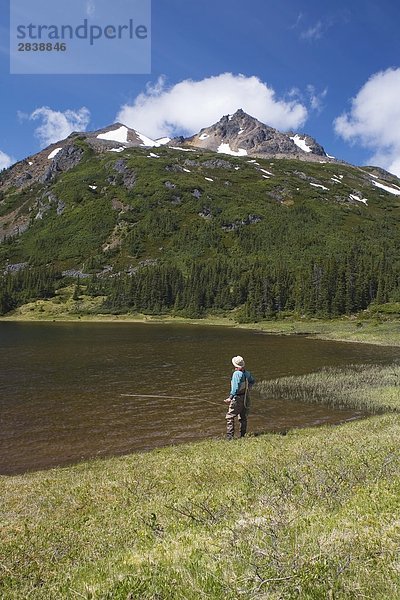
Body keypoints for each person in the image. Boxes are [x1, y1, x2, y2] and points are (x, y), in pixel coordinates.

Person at [224, 355, 255, 440]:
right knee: (243, 417)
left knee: (230, 416)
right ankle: (243, 435)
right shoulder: (246, 373)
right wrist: (248, 389)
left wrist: (230, 398)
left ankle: (229, 437)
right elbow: (252, 381)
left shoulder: (236, 374)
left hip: (237, 398)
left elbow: (235, 388)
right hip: (245, 397)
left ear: (235, 365)